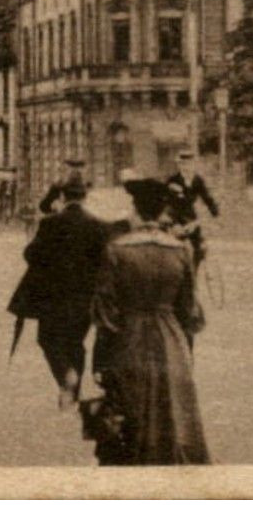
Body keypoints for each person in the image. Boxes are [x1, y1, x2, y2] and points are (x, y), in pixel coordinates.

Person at [90, 177, 209, 466]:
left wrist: (100, 360)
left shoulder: (117, 250)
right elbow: (190, 312)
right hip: (171, 341)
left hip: (128, 340)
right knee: (175, 413)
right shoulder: (180, 250)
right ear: (162, 213)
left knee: (130, 413)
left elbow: (105, 314)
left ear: (136, 210)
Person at [15, 175, 111, 408]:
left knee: (47, 339)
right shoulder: (98, 225)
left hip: (53, 297)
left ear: (62, 196)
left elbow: (31, 255)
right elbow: (106, 262)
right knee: (75, 342)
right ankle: (72, 394)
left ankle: (66, 377)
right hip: (86, 298)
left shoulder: (51, 223)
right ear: (84, 196)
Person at [164, 150, 220, 267]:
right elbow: (164, 200)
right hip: (174, 217)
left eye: (188, 164)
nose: (185, 167)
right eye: (182, 164)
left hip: (190, 216)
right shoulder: (172, 180)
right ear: (179, 165)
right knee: (173, 247)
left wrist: (215, 213)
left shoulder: (197, 180)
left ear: (193, 165)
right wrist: (171, 222)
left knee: (200, 248)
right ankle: (176, 270)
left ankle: (193, 271)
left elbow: (207, 197)